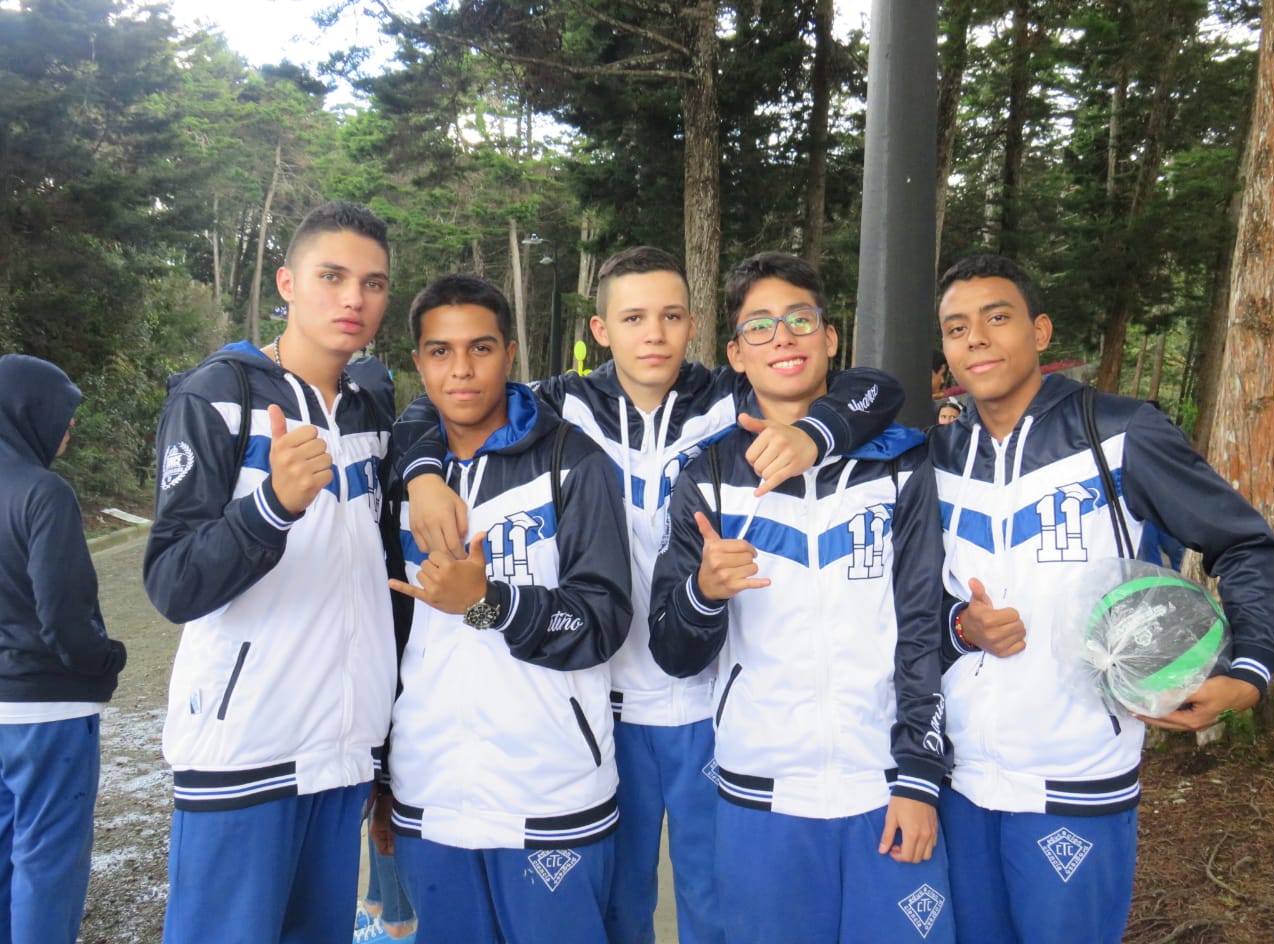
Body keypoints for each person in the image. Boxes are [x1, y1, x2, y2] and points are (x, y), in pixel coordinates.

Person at [397, 247, 905, 944]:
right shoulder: (559, 404)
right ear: (601, 329)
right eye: (633, 318)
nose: (654, 335)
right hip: (600, 705)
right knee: (619, 909)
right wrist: (423, 474)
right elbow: (433, 404)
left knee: (712, 903)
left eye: (671, 316)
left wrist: (816, 435)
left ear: (694, 324)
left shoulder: (733, 396)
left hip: (708, 702)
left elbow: (876, 390)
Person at [931, 253, 1274, 944]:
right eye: (956, 328)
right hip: (959, 779)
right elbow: (913, 605)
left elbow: (1246, 545)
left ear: (1040, 331)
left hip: (1080, 777)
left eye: (997, 317)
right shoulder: (937, 456)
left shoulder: (1119, 434)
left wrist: (1251, 671)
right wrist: (962, 627)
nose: (977, 339)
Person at [649, 252, 954, 944]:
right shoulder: (706, 475)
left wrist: (918, 775)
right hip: (761, 793)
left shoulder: (900, 462)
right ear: (736, 354)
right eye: (759, 326)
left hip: (885, 788)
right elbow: (673, 651)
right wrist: (703, 593)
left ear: (830, 337)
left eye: (800, 319)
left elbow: (921, 625)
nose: (782, 337)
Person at [144, 201, 399, 944]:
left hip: (342, 755)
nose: (353, 299)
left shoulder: (371, 412)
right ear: (287, 283)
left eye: (373, 283)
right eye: (332, 276)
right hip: (244, 753)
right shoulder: (217, 395)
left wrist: (383, 751)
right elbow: (172, 582)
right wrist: (271, 508)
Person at [379, 274, 633, 944]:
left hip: (551, 791)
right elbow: (383, 635)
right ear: (419, 362)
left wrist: (489, 603)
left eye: (481, 348)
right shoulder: (398, 476)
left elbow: (603, 619)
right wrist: (382, 768)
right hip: (429, 789)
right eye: (441, 351)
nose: (461, 370)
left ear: (510, 353)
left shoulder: (573, 462)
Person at [0, 354, 127, 944]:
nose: (69, 427)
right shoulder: (43, 493)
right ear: (29, 412)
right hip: (48, 708)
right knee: (48, 858)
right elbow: (65, 617)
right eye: (62, 413)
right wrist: (107, 659)